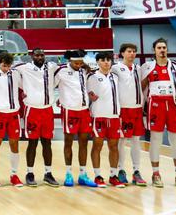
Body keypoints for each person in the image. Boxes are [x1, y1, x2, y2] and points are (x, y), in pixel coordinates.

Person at [139, 38, 176, 188]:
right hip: (155, 105)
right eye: (159, 48)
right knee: (156, 139)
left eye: (164, 47)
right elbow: (139, 86)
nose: (162, 50)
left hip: (174, 105)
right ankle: (156, 174)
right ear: (154, 50)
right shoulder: (146, 67)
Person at [56, 50, 95, 187]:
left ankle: (83, 174)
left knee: (84, 142)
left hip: (84, 111)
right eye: (76, 63)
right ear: (70, 61)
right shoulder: (61, 71)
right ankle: (68, 173)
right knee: (68, 142)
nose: (79, 65)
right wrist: (58, 99)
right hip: (69, 110)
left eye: (80, 62)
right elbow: (50, 84)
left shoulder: (84, 70)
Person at [87, 52, 124, 188]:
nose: (106, 62)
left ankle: (113, 176)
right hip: (99, 116)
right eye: (103, 60)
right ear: (97, 62)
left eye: (108, 60)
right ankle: (97, 176)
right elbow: (90, 94)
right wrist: (91, 96)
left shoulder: (115, 77)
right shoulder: (93, 77)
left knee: (114, 146)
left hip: (114, 116)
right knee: (97, 145)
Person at [0, 52, 23, 187]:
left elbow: (24, 85)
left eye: (8, 66)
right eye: (4, 65)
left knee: (15, 145)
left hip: (14, 114)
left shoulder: (15, 73)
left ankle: (14, 175)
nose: (6, 68)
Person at [113, 44, 147, 186]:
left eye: (134, 51)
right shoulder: (115, 68)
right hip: (123, 109)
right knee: (122, 140)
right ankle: (121, 170)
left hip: (137, 109)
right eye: (129, 51)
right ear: (122, 53)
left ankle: (136, 171)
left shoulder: (139, 69)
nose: (132, 54)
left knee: (136, 141)